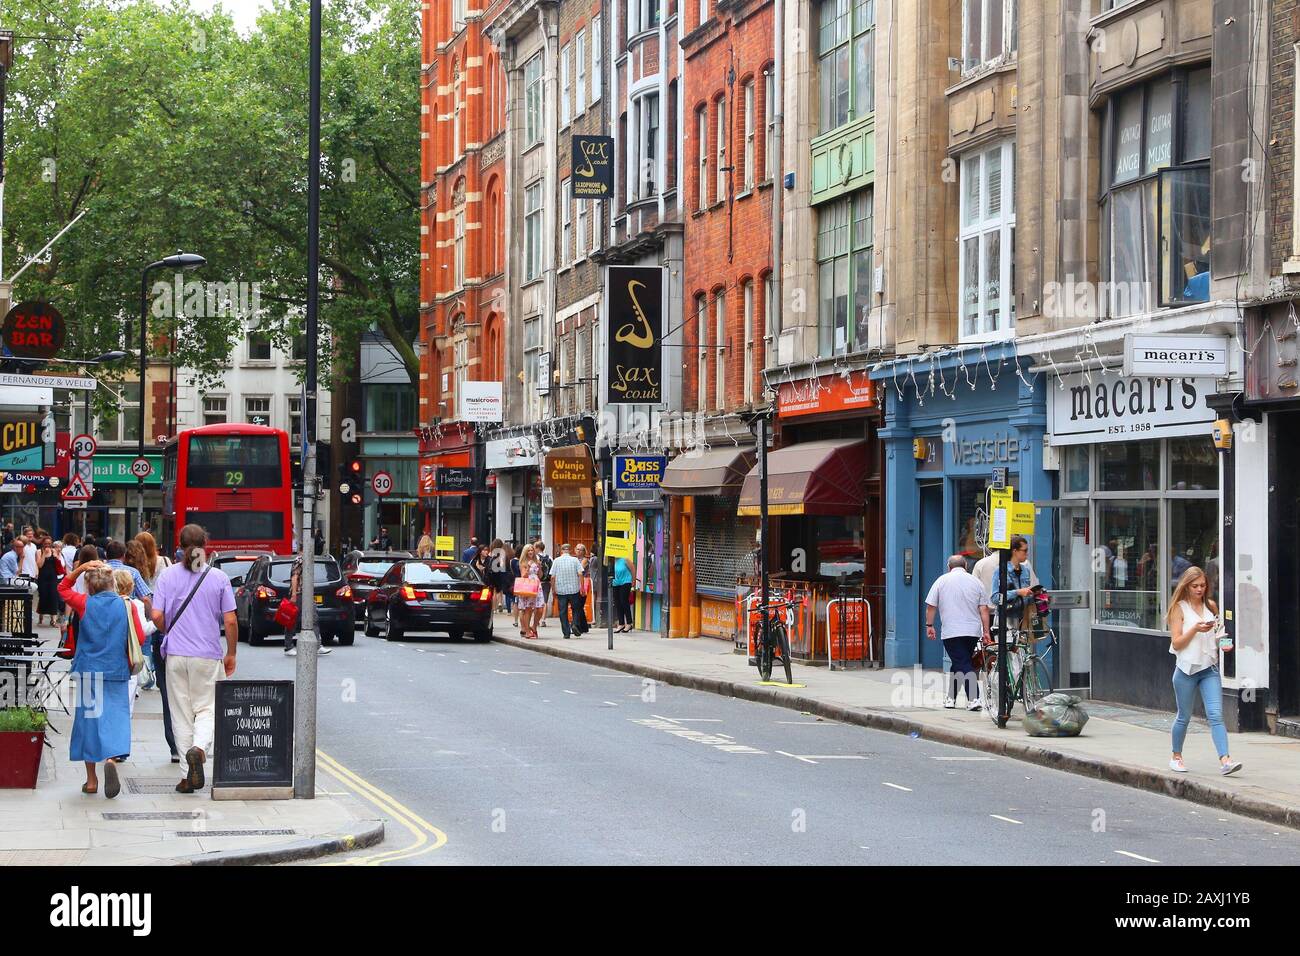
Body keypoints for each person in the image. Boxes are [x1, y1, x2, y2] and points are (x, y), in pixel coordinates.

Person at [149, 524, 239, 794]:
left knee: (181, 714)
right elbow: (231, 619)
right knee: (208, 708)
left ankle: (187, 777)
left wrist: (169, 630)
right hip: (207, 656)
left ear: (179, 545)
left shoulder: (167, 576)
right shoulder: (218, 578)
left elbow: (155, 616)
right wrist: (231, 652)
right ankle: (199, 750)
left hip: (176, 655)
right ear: (205, 544)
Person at [58, 561, 147, 798]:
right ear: (113, 584)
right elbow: (138, 636)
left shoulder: (85, 603)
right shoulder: (125, 606)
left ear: (90, 586)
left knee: (89, 722)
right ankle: (111, 759)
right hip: (116, 670)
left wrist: (80, 568)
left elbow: (62, 589)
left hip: (89, 670)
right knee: (115, 717)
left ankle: (91, 780)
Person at [1168, 566, 1241, 776]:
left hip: (1209, 668)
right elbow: (1177, 643)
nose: (1200, 589)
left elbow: (1220, 631)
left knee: (1216, 715)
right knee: (1184, 716)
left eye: (1203, 585)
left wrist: (1225, 643)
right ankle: (1176, 756)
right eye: (1195, 586)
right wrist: (1194, 629)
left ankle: (1226, 760)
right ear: (1186, 586)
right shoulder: (1178, 609)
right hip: (1186, 671)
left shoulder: (1211, 605)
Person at [924, 554, 991, 710]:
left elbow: (931, 607)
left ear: (949, 567)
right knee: (960, 663)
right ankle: (951, 698)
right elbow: (984, 609)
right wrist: (986, 631)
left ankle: (974, 698)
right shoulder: (976, 582)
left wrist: (929, 625)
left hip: (952, 632)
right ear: (966, 566)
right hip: (972, 631)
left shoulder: (941, 581)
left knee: (963, 663)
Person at [113, 568, 156, 719]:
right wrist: (157, 622)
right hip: (129, 658)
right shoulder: (136, 604)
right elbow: (143, 632)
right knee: (127, 705)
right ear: (131, 586)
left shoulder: (104, 603)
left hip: (109, 658)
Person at [285, 555, 333, 657]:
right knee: (292, 619)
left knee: (313, 618)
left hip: (307, 594)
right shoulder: (299, 560)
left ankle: (317, 645)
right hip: (299, 594)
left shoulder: (308, 559)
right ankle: (288, 646)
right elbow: (295, 577)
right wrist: (294, 594)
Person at [550, 544, 586, 639]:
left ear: (561, 550)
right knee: (576, 609)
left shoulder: (556, 561)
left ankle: (566, 632)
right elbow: (580, 574)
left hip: (561, 590)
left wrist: (553, 589)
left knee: (563, 611)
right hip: (574, 589)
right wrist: (582, 587)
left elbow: (552, 576)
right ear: (570, 550)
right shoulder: (575, 560)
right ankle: (574, 624)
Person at [514, 544, 545, 638]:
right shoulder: (522, 562)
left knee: (540, 609)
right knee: (528, 609)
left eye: (532, 550)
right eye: (528, 550)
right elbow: (523, 575)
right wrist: (528, 566)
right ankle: (527, 631)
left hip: (537, 585)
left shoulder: (536, 561)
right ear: (525, 552)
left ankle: (534, 626)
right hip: (527, 586)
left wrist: (539, 567)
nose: (530, 552)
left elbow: (540, 575)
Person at [35, 536, 63, 626]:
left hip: (52, 577)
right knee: (43, 596)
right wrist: (44, 554)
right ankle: (41, 617)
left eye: (49, 543)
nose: (47, 545)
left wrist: (56, 556)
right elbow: (39, 565)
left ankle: (53, 620)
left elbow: (60, 563)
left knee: (53, 596)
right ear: (42, 543)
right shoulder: (39, 552)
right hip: (43, 577)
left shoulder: (54, 551)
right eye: (45, 543)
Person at [612, 556, 634, 632]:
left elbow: (633, 569)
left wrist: (633, 582)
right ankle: (621, 623)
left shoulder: (625, 559)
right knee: (617, 603)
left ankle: (629, 623)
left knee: (624, 601)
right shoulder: (611, 561)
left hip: (626, 582)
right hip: (615, 583)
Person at [534, 541, 553, 624]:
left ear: (537, 548)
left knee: (536, 601)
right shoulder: (549, 557)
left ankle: (536, 620)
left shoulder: (536, 558)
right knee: (545, 601)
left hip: (538, 582)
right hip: (547, 582)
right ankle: (543, 620)